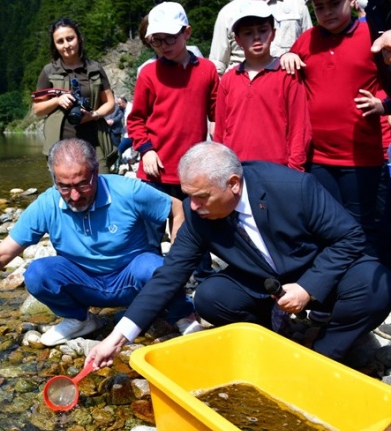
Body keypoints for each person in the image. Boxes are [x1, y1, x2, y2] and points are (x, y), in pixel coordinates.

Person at [87, 142, 391, 368]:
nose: (192, 206)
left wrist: (309, 287)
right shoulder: (199, 214)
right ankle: (273, 339)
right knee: (210, 296)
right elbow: (169, 275)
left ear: (233, 184)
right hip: (265, 280)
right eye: (188, 195)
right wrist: (117, 338)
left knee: (374, 287)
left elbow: (350, 237)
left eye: (201, 196)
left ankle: (323, 354)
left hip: (316, 269)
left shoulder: (294, 187)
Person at [0, 138, 200, 347]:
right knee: (38, 273)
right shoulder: (47, 203)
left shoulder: (126, 190)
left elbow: (177, 208)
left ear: (96, 172)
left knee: (153, 267)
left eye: (82, 184)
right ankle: (81, 319)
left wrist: (177, 258)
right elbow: (1, 255)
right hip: (86, 284)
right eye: (64, 186)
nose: (74, 195)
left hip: (134, 280)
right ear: (53, 179)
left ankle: (180, 314)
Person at [281, 0, 385, 257]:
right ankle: (335, 286)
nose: (327, 13)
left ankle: (368, 290)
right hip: (318, 156)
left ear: (350, 2)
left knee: (363, 226)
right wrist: (288, 55)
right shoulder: (307, 39)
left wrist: (383, 103)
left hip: (361, 154)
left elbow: (387, 78)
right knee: (327, 226)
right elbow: (290, 75)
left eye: (333, 4)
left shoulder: (372, 32)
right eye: (319, 7)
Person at [129, 2, 219, 282]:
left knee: (196, 227)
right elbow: (136, 120)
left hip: (192, 171)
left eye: (170, 38)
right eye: (157, 40)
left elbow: (218, 115)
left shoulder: (207, 70)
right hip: (155, 169)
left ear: (187, 33)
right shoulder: (148, 73)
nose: (164, 45)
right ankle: (153, 283)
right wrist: (145, 150)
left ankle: (203, 281)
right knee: (151, 233)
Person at [214, 0, 311, 171]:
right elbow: (220, 132)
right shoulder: (229, 79)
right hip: (236, 170)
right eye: (248, 32)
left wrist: (295, 170)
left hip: (279, 170)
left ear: (273, 33)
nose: (257, 37)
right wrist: (221, 167)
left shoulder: (287, 75)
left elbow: (300, 129)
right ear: (237, 39)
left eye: (263, 30)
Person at [32, 18, 116, 173]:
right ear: (55, 46)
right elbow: (37, 109)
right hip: (60, 145)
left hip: (94, 140)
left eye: (70, 39)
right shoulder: (49, 71)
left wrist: (94, 115)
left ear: (79, 39)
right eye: (60, 41)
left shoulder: (95, 69)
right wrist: (57, 100)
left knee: (102, 183)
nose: (66, 45)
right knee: (67, 192)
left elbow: (110, 103)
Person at [209, 0, 313, 76]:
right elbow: (218, 64)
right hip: (242, 88)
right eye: (248, 32)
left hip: (288, 83)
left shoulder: (297, 6)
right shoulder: (227, 12)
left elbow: (311, 54)